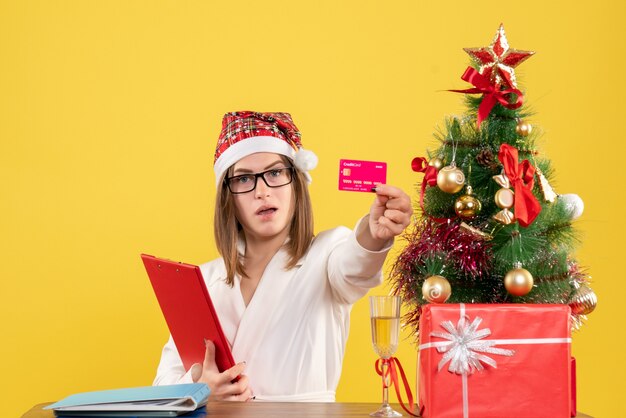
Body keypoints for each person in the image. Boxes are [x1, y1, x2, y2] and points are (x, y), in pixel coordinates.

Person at [153, 111, 412, 402]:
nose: (262, 192)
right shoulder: (202, 280)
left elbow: (355, 268)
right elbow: (162, 386)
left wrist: (374, 235)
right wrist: (201, 389)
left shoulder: (326, 254)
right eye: (243, 179)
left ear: (295, 183)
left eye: (275, 173)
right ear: (228, 197)